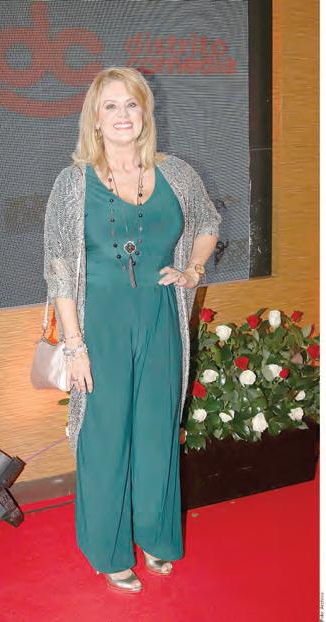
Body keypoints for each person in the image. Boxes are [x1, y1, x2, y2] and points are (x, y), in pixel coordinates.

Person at [43, 66, 221, 594]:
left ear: (145, 113)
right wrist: (74, 346)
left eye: (131, 104)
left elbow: (207, 222)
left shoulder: (176, 173)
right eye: (110, 106)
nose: (123, 115)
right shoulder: (73, 183)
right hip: (99, 328)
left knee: (156, 433)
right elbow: (58, 269)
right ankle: (109, 550)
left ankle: (157, 536)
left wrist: (193, 271)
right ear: (95, 120)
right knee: (104, 438)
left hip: (160, 319)